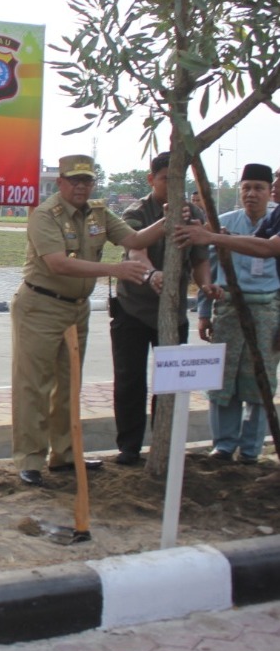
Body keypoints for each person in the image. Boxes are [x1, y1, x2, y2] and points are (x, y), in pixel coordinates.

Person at [11, 154, 172, 488]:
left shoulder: (99, 212)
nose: (81, 186)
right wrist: (114, 270)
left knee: (70, 385)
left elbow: (135, 240)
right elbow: (58, 264)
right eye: (74, 180)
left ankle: (66, 455)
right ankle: (30, 460)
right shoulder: (45, 215)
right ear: (60, 182)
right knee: (33, 386)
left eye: (87, 180)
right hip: (40, 306)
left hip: (76, 309)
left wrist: (168, 219)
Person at [110, 153, 217, 465]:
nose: (171, 186)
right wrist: (151, 274)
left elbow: (200, 260)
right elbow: (135, 249)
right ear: (150, 180)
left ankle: (164, 443)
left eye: (177, 181)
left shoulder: (193, 212)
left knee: (170, 383)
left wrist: (207, 285)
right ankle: (129, 447)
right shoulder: (138, 211)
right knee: (129, 379)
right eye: (164, 180)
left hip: (172, 312)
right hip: (132, 308)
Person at [175, 163, 280, 464]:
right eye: (246, 187)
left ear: (268, 192)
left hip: (267, 310)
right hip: (229, 308)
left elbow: (271, 253)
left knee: (260, 381)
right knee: (223, 380)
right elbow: (210, 270)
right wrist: (206, 312)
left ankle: (250, 449)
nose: (252, 194)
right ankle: (223, 445)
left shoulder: (274, 223)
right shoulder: (221, 224)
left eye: (259, 188)